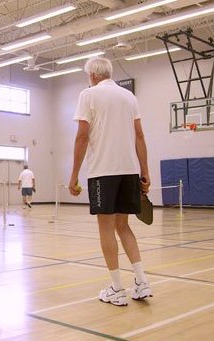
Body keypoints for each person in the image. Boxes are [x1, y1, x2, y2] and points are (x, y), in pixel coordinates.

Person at [68, 57, 152, 306]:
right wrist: (144, 172)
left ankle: (117, 288)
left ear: (93, 75)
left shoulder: (88, 95)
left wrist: (73, 175)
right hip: (128, 171)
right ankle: (141, 281)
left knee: (106, 228)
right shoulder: (129, 97)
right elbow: (139, 135)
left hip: (102, 172)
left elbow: (82, 137)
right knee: (123, 226)